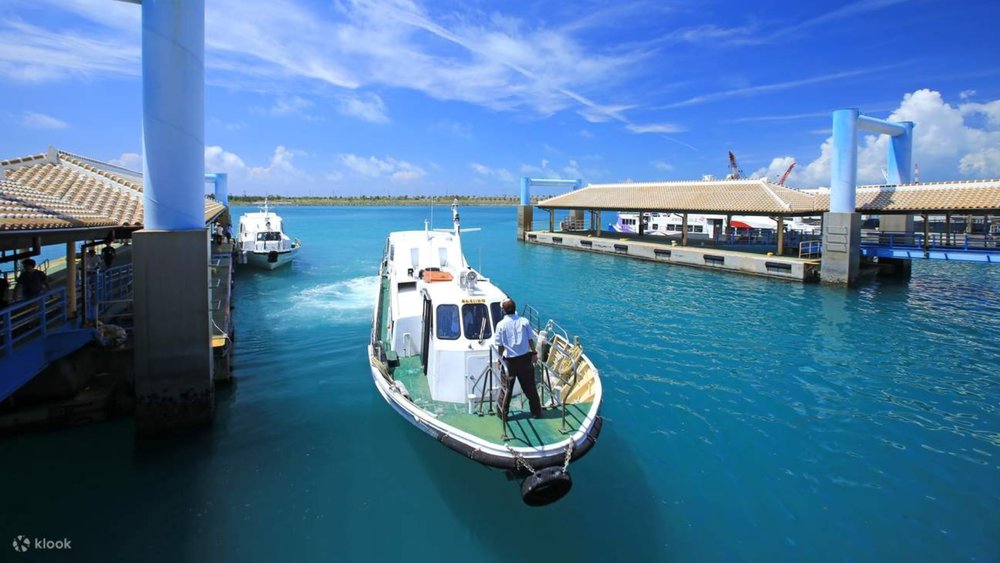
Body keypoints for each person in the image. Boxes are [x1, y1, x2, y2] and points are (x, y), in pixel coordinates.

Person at [493, 298, 542, 419]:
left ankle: (502, 413)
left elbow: (500, 345)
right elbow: (531, 339)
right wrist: (534, 353)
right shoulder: (524, 321)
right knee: (530, 387)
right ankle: (536, 411)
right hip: (525, 359)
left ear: (504, 310)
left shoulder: (500, 325)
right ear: (515, 308)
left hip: (509, 362)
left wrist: (499, 359)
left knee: (506, 389)